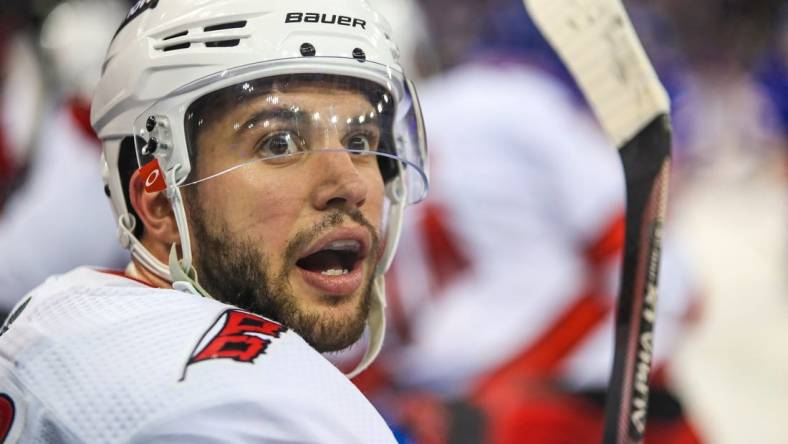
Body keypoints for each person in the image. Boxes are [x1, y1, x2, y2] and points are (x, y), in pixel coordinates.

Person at [0, 0, 428, 441]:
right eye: (279, 144)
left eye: (360, 140)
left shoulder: (70, 316)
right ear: (161, 201)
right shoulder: (243, 406)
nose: (350, 184)